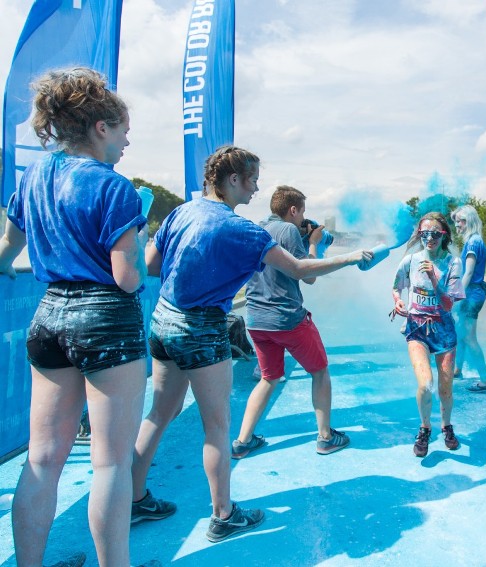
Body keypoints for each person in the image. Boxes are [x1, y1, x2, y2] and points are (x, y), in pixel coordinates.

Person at [130, 146, 372, 543]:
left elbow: (154, 265)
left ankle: (135, 498)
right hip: (202, 329)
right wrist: (347, 259)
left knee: (158, 413)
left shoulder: (180, 212)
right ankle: (223, 515)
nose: (257, 187)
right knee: (217, 426)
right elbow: (297, 269)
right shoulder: (241, 229)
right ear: (233, 180)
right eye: (253, 179)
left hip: (162, 322)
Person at [0, 68, 149, 567]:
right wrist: (140, 236)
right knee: (110, 464)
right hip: (105, 318)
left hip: (48, 317)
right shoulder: (114, 187)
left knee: (41, 459)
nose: (128, 141)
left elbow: (6, 250)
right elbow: (127, 277)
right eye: (124, 129)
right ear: (101, 127)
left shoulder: (34, 177)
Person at [232, 185, 352, 459]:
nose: (301, 220)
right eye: (301, 214)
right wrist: (313, 244)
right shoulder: (287, 230)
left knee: (268, 377)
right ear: (293, 209)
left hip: (257, 320)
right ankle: (325, 437)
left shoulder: (257, 227)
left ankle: (243, 440)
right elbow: (307, 276)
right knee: (320, 372)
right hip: (287, 319)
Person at [392, 212, 465, 457]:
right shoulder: (411, 260)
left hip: (443, 330)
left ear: (444, 236)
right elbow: (396, 286)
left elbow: (447, 304)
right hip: (417, 328)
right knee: (426, 384)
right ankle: (424, 428)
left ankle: (446, 425)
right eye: (425, 234)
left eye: (435, 234)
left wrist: (435, 279)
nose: (429, 238)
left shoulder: (453, 263)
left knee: (445, 390)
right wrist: (398, 301)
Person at [450, 205, 486, 392]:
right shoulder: (475, 241)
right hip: (473, 294)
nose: (457, 225)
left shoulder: (473, 242)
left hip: (471, 295)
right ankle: (457, 369)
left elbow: (468, 273)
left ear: (468, 221)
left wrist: (455, 297)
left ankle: (485, 379)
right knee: (461, 334)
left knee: (469, 337)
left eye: (459, 221)